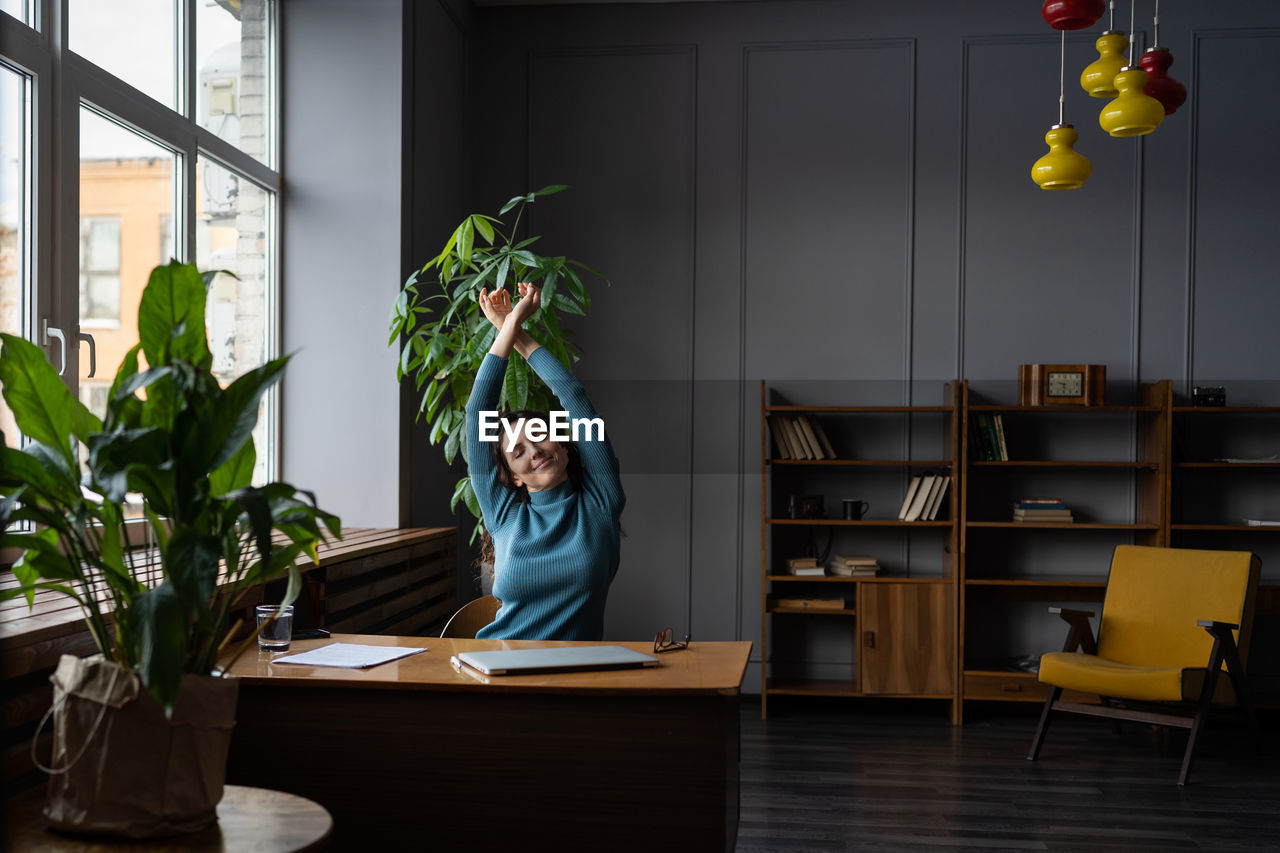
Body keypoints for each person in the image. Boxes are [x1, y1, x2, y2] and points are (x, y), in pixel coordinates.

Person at [464, 281, 625, 640]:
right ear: (514, 478)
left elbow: (573, 395)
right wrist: (509, 327)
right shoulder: (504, 514)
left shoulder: (600, 502)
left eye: (538, 435)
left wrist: (515, 328)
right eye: (517, 451)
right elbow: (477, 415)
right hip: (500, 672)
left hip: (572, 680)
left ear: (564, 446)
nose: (533, 450)